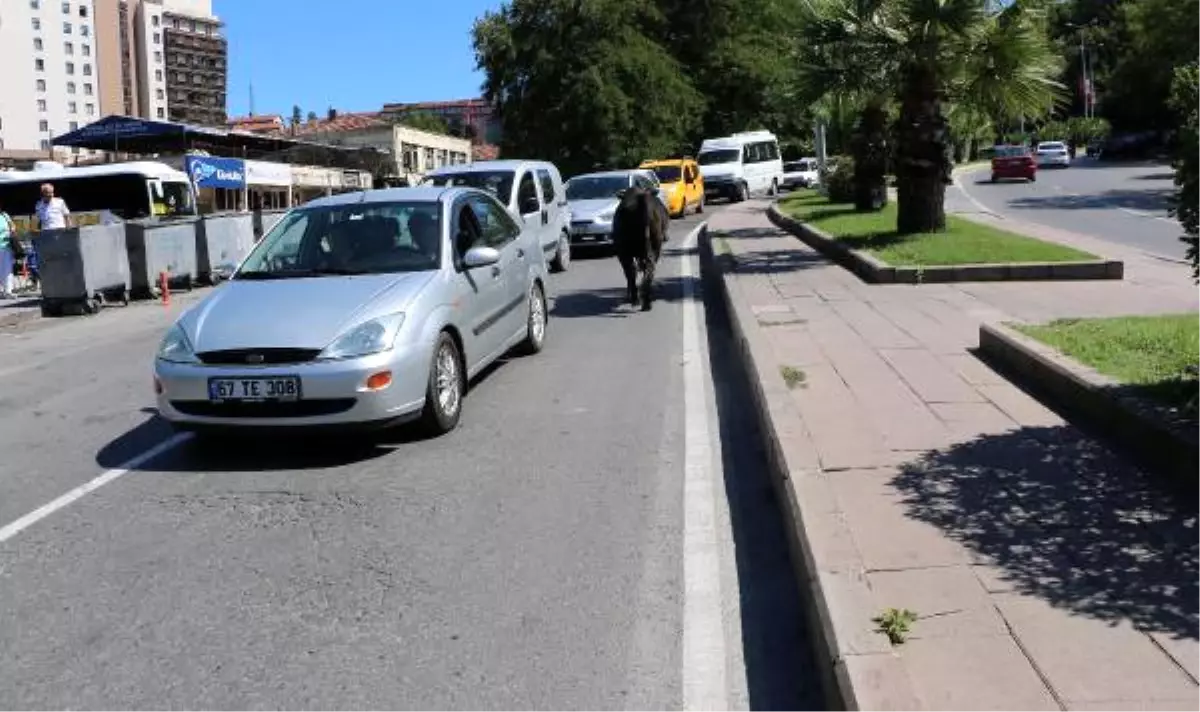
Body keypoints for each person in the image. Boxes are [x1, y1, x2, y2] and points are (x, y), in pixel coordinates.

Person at [0, 203, 16, 299]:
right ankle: (1, 291)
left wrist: (12, 230)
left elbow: (12, 225)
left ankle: (8, 291)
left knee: (7, 269)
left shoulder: (4, 215)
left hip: (6, 246)